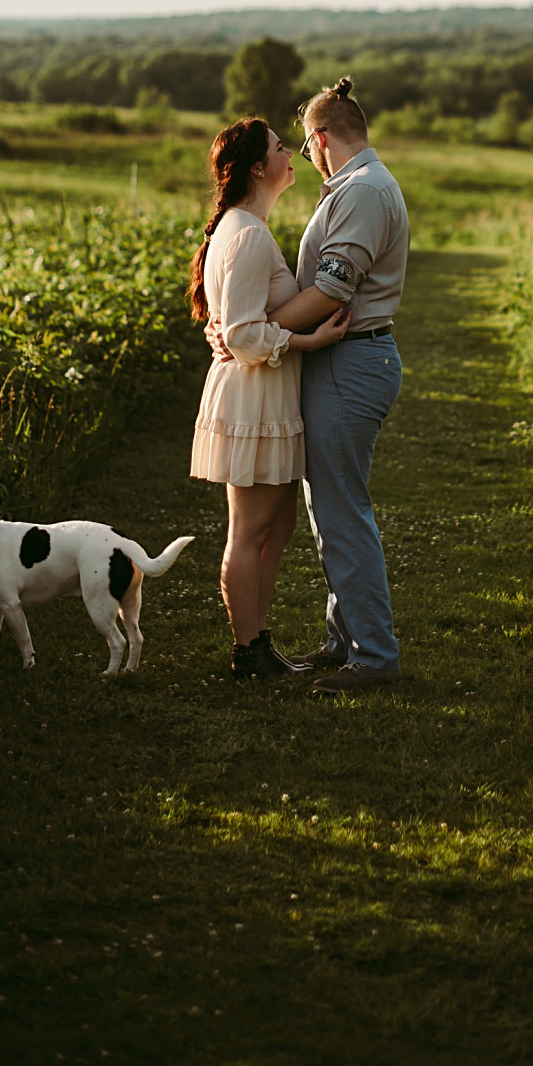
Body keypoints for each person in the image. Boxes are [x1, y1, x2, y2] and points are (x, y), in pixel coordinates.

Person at [188, 117, 350, 681]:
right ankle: (248, 650)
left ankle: (259, 642)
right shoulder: (249, 233)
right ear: (260, 167)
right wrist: (312, 337)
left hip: (265, 392)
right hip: (253, 396)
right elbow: (241, 335)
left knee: (276, 525)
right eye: (282, 148)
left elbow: (231, 323)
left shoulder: (242, 226)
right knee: (251, 530)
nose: (292, 154)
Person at [288, 77, 410, 694]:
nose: (306, 157)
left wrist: (256, 327)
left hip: (349, 360)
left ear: (321, 137)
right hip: (347, 359)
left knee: (342, 510)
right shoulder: (358, 186)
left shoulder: (362, 192)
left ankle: (374, 654)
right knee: (329, 506)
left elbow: (333, 288)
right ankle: (346, 635)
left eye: (306, 147)